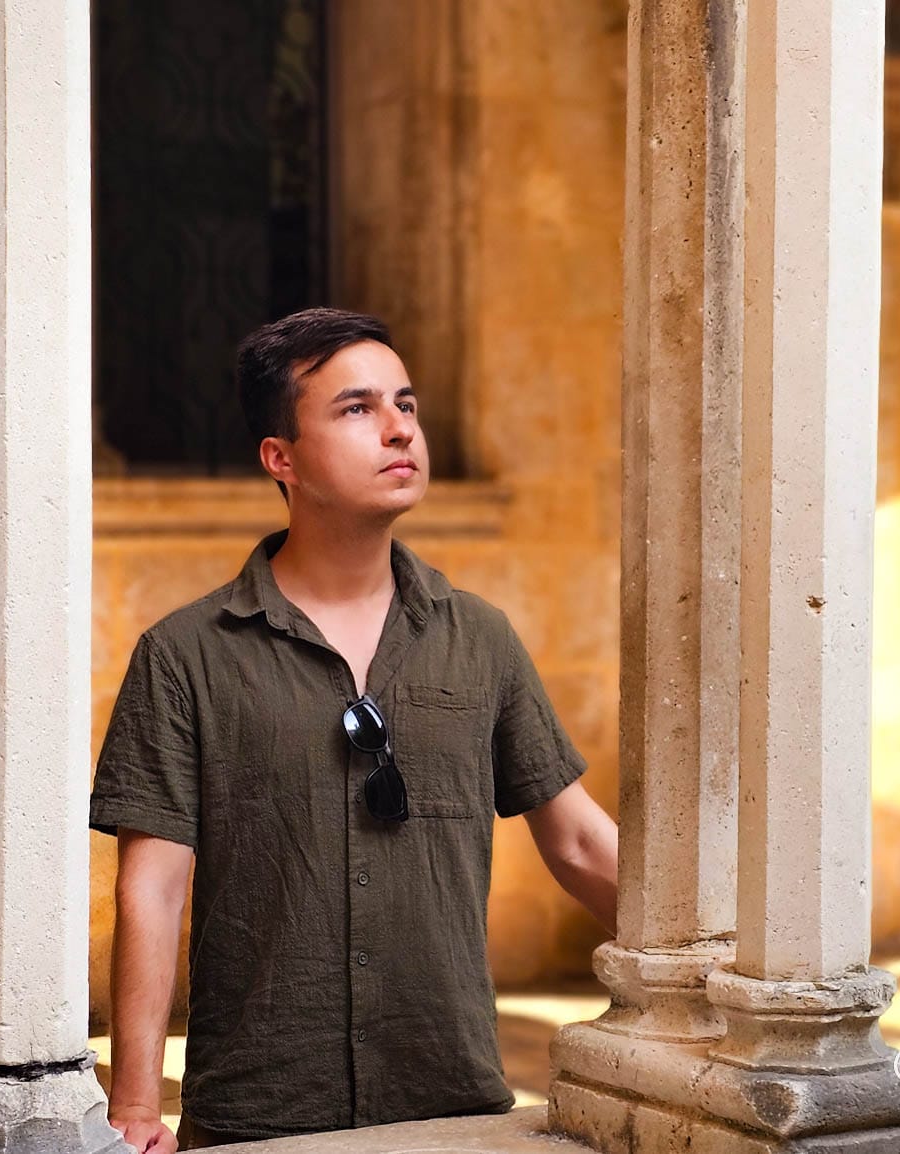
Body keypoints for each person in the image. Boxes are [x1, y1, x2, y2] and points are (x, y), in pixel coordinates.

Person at [92, 308, 620, 1152]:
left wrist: (707, 975)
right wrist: (133, 1105)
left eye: (405, 404)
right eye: (356, 408)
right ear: (282, 458)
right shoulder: (184, 655)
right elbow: (152, 889)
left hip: (453, 1106)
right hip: (258, 1115)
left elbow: (582, 843)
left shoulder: (479, 638)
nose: (398, 428)